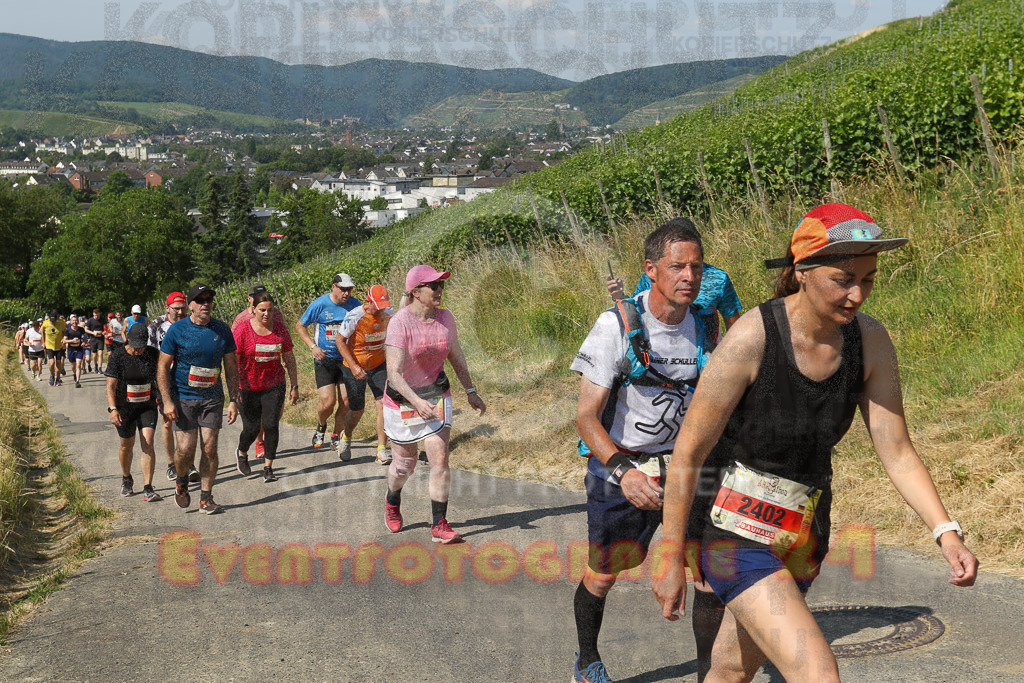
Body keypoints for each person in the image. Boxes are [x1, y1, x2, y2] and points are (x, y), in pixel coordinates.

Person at [653, 203, 979, 682]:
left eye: (868, 279)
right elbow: (689, 452)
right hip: (731, 530)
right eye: (843, 278)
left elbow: (897, 450)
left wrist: (945, 532)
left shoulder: (869, 342)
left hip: (802, 534)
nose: (857, 295)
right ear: (801, 272)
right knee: (816, 672)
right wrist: (671, 552)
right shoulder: (752, 337)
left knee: (729, 671)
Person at [570, 218, 722, 683]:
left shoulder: (707, 326)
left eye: (696, 267)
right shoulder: (615, 325)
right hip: (624, 469)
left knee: (708, 572)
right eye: (678, 267)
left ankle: (709, 672)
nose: (689, 277)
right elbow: (586, 418)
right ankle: (587, 661)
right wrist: (625, 473)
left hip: (688, 467)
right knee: (606, 571)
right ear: (651, 270)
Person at [382, 265, 486, 544]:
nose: (440, 291)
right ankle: (393, 499)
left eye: (442, 286)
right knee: (405, 465)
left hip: (437, 394)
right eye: (434, 286)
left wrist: (470, 390)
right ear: (416, 292)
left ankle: (439, 524)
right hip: (403, 400)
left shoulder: (445, 318)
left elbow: (455, 354)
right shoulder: (400, 322)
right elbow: (393, 374)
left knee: (440, 458)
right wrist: (416, 402)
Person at [157, 283, 239, 514]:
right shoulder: (177, 330)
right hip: (183, 396)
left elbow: (231, 366)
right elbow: (162, 367)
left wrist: (234, 399)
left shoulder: (222, 330)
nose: (206, 304)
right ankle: (181, 481)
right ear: (190, 305)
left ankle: (206, 497)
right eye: (200, 301)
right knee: (186, 449)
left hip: (212, 397)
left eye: (209, 300)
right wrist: (167, 401)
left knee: (210, 448)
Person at [233, 290, 299, 483]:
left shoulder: (280, 329)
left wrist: (295, 385)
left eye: (270, 310)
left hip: (274, 384)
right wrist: (234, 389)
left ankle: (268, 468)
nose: (266, 314)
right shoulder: (243, 330)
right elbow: (233, 361)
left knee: (271, 425)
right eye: (262, 310)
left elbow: (289, 358)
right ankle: (242, 451)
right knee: (252, 428)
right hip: (249, 386)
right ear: (253, 309)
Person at [294, 273, 361, 453]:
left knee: (346, 402)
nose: (346, 293)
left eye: (349, 289)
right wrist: (312, 346)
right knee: (328, 402)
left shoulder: (355, 305)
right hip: (324, 359)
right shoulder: (320, 304)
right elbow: (300, 326)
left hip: (345, 360)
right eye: (343, 289)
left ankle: (335, 435)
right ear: (334, 287)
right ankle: (321, 425)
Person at [608, 262, 743, 341]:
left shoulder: (719, 278)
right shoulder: (654, 274)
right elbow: (637, 312)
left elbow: (734, 329)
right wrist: (620, 296)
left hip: (705, 363)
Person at [337, 284, 394, 465]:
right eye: (377, 306)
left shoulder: (388, 312)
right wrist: (354, 367)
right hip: (354, 366)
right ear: (368, 302)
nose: (380, 310)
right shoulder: (355, 315)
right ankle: (346, 437)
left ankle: (381, 450)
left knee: (383, 405)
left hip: (378, 365)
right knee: (357, 410)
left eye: (383, 305)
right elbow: (340, 341)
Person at [106, 324, 163, 501]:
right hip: (124, 407)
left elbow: (161, 379)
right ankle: (126, 478)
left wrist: (164, 401)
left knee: (148, 443)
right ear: (128, 339)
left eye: (142, 346)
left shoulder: (153, 354)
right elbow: (110, 386)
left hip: (147, 405)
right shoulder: (118, 356)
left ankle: (148, 487)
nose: (139, 350)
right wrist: (113, 409)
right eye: (135, 346)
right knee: (126, 445)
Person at [149, 292, 197, 484]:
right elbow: (151, 353)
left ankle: (188, 462)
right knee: (168, 421)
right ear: (167, 308)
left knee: (189, 421)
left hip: (188, 378)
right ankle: (171, 463)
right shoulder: (156, 325)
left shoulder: (192, 322)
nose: (180, 312)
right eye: (176, 308)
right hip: (165, 379)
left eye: (182, 308)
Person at [42, 310, 67, 386]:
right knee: (52, 362)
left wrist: (64, 340)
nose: (53, 322)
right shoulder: (45, 324)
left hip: (59, 346)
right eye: (52, 321)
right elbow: (42, 331)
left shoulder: (61, 322)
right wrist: (43, 342)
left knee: (58, 363)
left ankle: (58, 378)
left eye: (54, 321)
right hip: (49, 346)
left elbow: (64, 332)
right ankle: (52, 376)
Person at [63, 314, 88, 388]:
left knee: (78, 365)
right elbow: (64, 340)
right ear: (70, 322)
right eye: (73, 320)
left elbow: (85, 337)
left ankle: (77, 381)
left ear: (78, 321)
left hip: (79, 349)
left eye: (76, 320)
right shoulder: (67, 330)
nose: (74, 322)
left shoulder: (81, 329)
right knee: (73, 366)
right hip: (71, 350)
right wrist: (72, 340)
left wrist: (84, 342)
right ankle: (74, 373)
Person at [84, 308, 106, 373]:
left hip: (100, 338)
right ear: (93, 314)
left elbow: (106, 327)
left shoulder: (102, 319)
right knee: (94, 355)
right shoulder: (90, 320)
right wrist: (93, 333)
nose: (97, 317)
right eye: (95, 315)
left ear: (99, 314)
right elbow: (86, 329)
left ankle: (100, 368)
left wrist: (104, 332)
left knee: (101, 353)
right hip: (93, 339)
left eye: (98, 315)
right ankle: (96, 365)